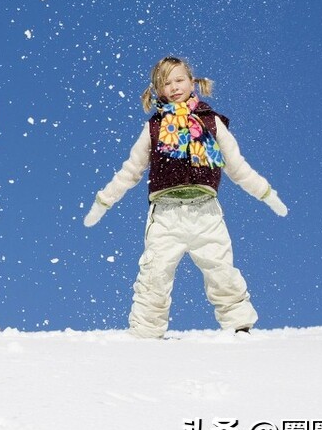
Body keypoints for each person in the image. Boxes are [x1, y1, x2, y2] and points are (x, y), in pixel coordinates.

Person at [83, 56, 288, 338]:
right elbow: (131, 171)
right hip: (166, 215)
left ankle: (239, 327)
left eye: (179, 79)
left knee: (221, 270)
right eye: (166, 83)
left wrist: (267, 194)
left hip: (206, 213)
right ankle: (145, 334)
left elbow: (238, 168)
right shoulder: (154, 128)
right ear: (158, 90)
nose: (174, 87)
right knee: (154, 273)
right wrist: (103, 202)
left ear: (192, 82)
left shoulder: (211, 123)